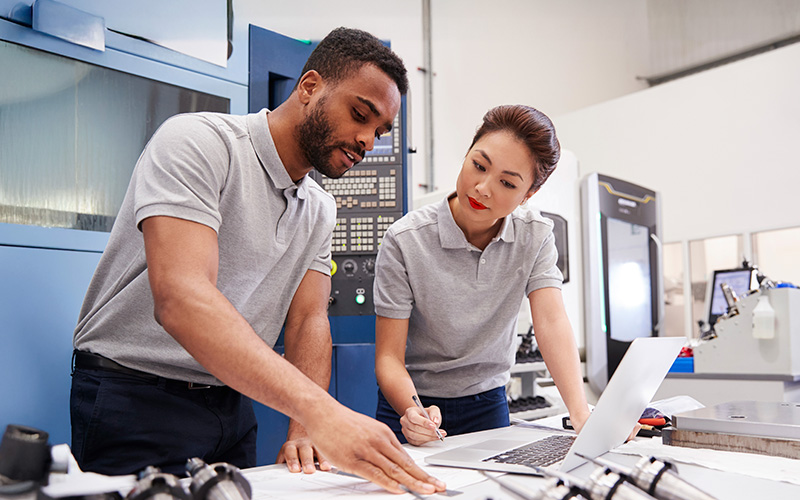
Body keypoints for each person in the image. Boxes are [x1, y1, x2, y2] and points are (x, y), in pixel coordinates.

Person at [71, 27, 444, 495]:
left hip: (230, 405)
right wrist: (323, 412)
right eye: (360, 114)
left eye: (379, 131)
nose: (368, 140)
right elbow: (182, 298)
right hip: (134, 398)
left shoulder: (319, 207)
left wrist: (304, 427)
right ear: (309, 88)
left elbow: (309, 319)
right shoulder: (200, 143)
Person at [373, 104, 591, 446]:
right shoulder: (405, 239)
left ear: (528, 195)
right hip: (412, 401)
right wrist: (412, 410)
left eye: (507, 182)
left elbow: (551, 322)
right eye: (478, 166)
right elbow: (388, 357)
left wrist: (580, 414)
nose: (483, 188)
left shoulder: (535, 236)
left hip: (487, 404)